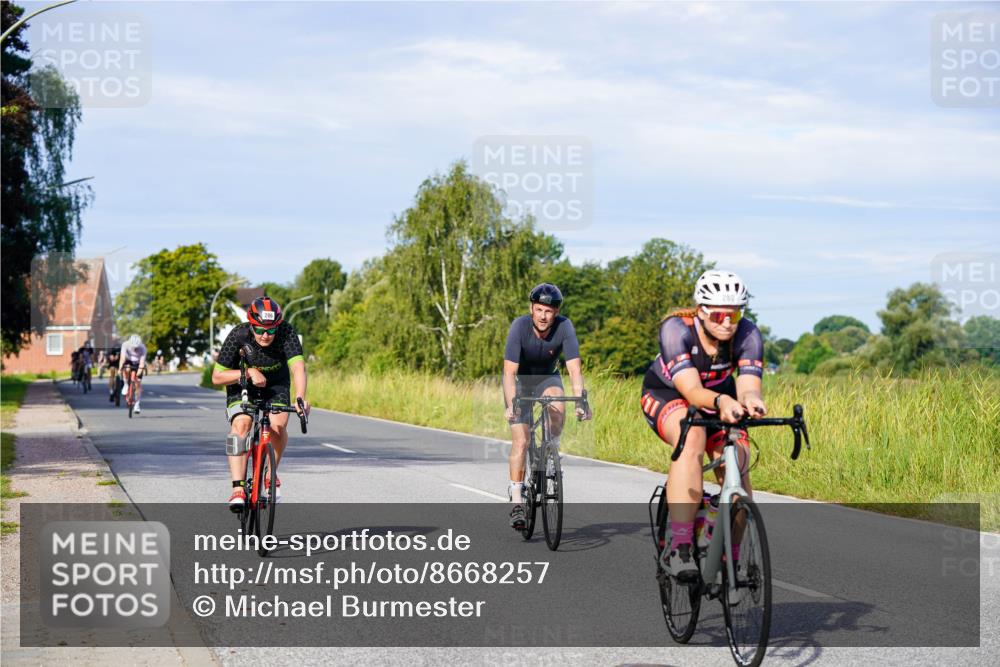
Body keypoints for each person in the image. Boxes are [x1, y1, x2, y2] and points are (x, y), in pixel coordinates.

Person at [640, 270, 766, 582]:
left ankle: (728, 556)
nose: (728, 322)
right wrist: (723, 401)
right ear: (701, 311)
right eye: (720, 315)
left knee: (738, 463)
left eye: (735, 314)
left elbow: (748, 386)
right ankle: (681, 547)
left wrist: (752, 401)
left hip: (722, 398)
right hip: (669, 394)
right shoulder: (675, 330)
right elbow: (693, 392)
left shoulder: (748, 334)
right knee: (693, 433)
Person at [502, 283, 591, 531]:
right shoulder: (519, 326)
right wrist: (511, 405)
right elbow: (509, 373)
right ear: (531, 308)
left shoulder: (565, 326)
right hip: (520, 383)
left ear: (556, 312)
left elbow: (574, 368)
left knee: (558, 404)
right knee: (521, 441)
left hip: (547, 379)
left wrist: (580, 400)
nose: (543, 316)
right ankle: (517, 500)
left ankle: (551, 451)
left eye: (549, 311)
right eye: (539, 309)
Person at [211, 297, 310, 510]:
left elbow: (298, 367)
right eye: (260, 330)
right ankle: (238, 488)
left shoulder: (286, 333)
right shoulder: (239, 335)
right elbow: (217, 377)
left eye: (271, 330)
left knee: (278, 426)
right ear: (251, 325)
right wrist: (248, 372)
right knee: (242, 425)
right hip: (242, 384)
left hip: (276, 385)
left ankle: (269, 474)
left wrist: (300, 397)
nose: (266, 335)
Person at [119, 334, 148, 413]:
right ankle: (126, 384)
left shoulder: (143, 348)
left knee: (138, 384)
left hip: (138, 363)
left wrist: (138, 375)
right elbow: (122, 358)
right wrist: (120, 368)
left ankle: (137, 404)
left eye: (136, 347)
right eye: (133, 347)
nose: (135, 348)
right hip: (128, 360)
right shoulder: (125, 345)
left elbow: (142, 363)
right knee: (127, 368)